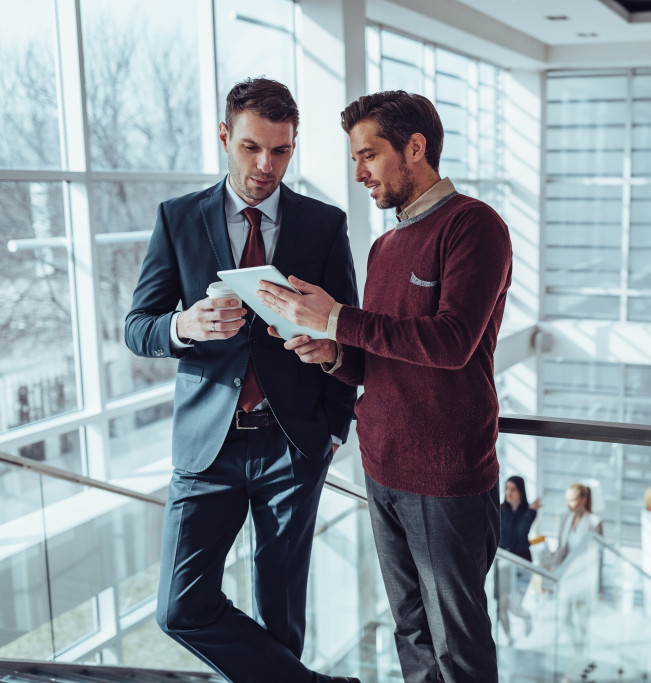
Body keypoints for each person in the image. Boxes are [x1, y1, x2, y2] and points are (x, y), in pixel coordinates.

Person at [257, 90, 513, 683]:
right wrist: (333, 352)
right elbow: (380, 359)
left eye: (369, 155)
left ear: (415, 148)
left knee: (460, 646)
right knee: (411, 631)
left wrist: (338, 319)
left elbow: (451, 343)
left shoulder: (474, 225)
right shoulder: (385, 245)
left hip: (447, 475)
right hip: (383, 466)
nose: (358, 173)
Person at [124, 78, 360, 683]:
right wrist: (185, 324)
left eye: (281, 151)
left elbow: (350, 340)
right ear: (225, 136)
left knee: (281, 616)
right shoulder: (178, 219)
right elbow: (137, 328)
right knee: (180, 608)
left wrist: (332, 428)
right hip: (208, 447)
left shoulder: (324, 225)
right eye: (253, 147)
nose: (266, 165)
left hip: (294, 445)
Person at [546, 483, 603, 653]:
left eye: (572, 500)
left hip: (585, 579)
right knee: (564, 618)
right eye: (567, 500)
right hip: (567, 578)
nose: (568, 504)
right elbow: (561, 548)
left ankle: (580, 654)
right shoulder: (565, 518)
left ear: (584, 500)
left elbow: (598, 556)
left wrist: (599, 586)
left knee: (582, 621)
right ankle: (576, 650)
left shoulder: (594, 522)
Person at [496, 476, 541, 645]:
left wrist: (530, 512)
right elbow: (501, 539)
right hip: (504, 565)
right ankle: (509, 639)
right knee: (501, 609)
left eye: (512, 489)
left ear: (520, 491)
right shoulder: (500, 510)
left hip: (522, 565)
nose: (508, 492)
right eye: (506, 488)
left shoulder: (528, 512)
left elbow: (519, 535)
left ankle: (527, 617)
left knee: (515, 608)